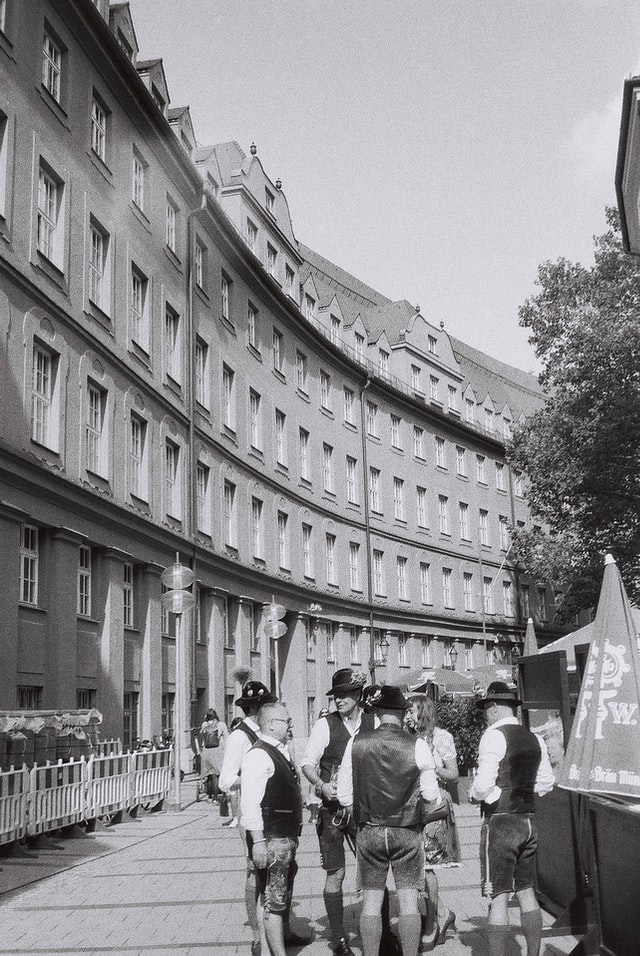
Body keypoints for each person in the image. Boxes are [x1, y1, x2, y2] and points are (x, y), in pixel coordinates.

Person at [338, 685, 442, 956]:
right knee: (408, 903)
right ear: (402, 712)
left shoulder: (356, 742)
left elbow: (344, 795)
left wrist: (363, 814)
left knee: (370, 903)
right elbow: (432, 795)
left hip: (370, 830)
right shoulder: (417, 745)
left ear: (378, 712)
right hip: (406, 830)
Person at [469, 681, 556, 956]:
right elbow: (546, 783)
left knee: (499, 896)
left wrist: (476, 794)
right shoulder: (535, 738)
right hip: (528, 820)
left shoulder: (493, 736)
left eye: (486, 708)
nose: (485, 714)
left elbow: (483, 786)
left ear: (494, 707)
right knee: (527, 890)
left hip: (501, 823)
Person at [301, 668, 370, 956]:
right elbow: (306, 762)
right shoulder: (325, 725)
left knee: (371, 872)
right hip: (331, 810)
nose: (338, 700)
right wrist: (319, 784)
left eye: (343, 695)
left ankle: (377, 934)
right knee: (336, 872)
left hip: (365, 807)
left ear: (358, 695)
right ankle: (339, 938)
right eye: (335, 695)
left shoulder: (373, 721)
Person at [240, 702, 306, 956]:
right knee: (275, 903)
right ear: (270, 724)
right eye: (286, 721)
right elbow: (250, 803)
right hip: (272, 838)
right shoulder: (259, 754)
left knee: (266, 897)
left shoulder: (278, 751)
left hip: (282, 836)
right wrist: (257, 841)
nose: (290, 725)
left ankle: (267, 952)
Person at [219, 680, 277, 955]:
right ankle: (257, 935)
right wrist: (250, 778)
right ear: (256, 708)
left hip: (272, 812)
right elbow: (225, 779)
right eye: (266, 705)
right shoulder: (240, 736)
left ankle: (278, 929)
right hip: (251, 812)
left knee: (277, 870)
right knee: (255, 871)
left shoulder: (267, 732)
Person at [407, 693, 460, 949]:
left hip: (436, 804)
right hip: (415, 805)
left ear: (423, 712)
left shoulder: (442, 737)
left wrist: (431, 765)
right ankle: (443, 912)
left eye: (412, 710)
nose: (408, 714)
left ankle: (432, 923)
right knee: (418, 863)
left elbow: (454, 775)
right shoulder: (410, 737)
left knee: (427, 865)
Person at [198, 708, 228, 801]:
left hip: (207, 751)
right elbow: (227, 738)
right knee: (217, 774)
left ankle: (210, 795)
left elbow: (202, 736)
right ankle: (218, 796)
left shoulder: (204, 725)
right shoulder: (221, 724)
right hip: (218, 751)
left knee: (210, 774)